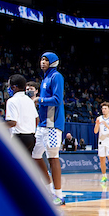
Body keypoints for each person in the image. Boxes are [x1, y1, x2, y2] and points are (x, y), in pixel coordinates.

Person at [33, 51, 67, 206]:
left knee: (53, 157)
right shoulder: (45, 78)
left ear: (53, 62)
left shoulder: (56, 76)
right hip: (42, 125)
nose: (42, 62)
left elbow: (57, 99)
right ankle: (49, 191)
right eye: (41, 59)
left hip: (52, 125)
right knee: (35, 156)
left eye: (46, 60)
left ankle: (59, 195)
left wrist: (38, 99)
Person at [5, 73, 37, 156]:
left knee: (13, 165)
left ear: (14, 87)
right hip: (31, 137)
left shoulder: (12, 101)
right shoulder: (29, 100)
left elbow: (12, 122)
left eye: (9, 86)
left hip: (19, 138)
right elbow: (36, 119)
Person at [94, 102, 109, 183]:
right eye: (102, 108)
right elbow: (95, 131)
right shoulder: (99, 118)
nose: (103, 110)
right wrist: (97, 124)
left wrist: (106, 125)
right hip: (101, 140)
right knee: (102, 159)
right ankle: (104, 176)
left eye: (105, 108)